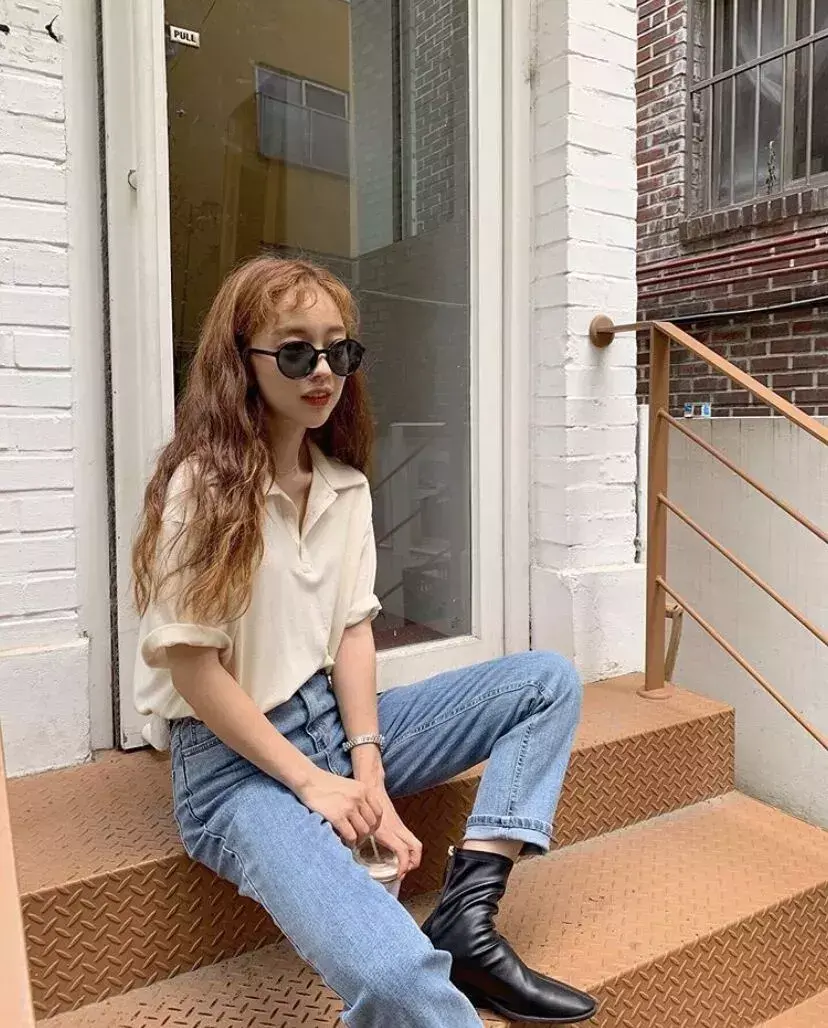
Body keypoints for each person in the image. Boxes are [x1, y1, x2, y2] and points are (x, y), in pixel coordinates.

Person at [132, 255, 597, 1027]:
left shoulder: (343, 487)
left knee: (545, 681)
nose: (323, 371)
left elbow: (352, 631)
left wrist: (368, 770)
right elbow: (193, 669)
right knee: (398, 979)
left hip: (333, 726)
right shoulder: (202, 488)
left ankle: (467, 917)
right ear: (242, 361)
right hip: (233, 769)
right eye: (295, 352)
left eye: (338, 350)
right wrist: (313, 784)